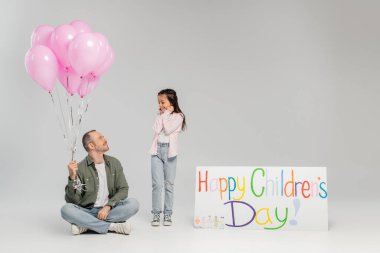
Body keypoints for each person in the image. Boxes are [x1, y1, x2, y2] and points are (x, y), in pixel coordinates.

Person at [61, 130, 139, 235]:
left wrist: (108, 206)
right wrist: (72, 177)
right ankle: (111, 226)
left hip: (109, 211)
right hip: (86, 211)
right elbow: (73, 201)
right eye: (100, 138)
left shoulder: (114, 163)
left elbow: (123, 189)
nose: (105, 139)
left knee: (133, 204)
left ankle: (85, 225)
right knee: (66, 209)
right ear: (91, 145)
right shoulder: (79, 168)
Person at [149, 89, 186, 226]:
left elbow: (169, 129)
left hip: (170, 153)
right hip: (156, 151)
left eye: (163, 102)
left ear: (171, 101)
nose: (160, 105)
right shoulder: (159, 115)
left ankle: (168, 214)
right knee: (156, 185)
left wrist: (165, 114)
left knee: (169, 185)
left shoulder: (179, 116)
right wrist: (162, 114)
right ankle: (156, 214)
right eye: (159, 102)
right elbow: (158, 130)